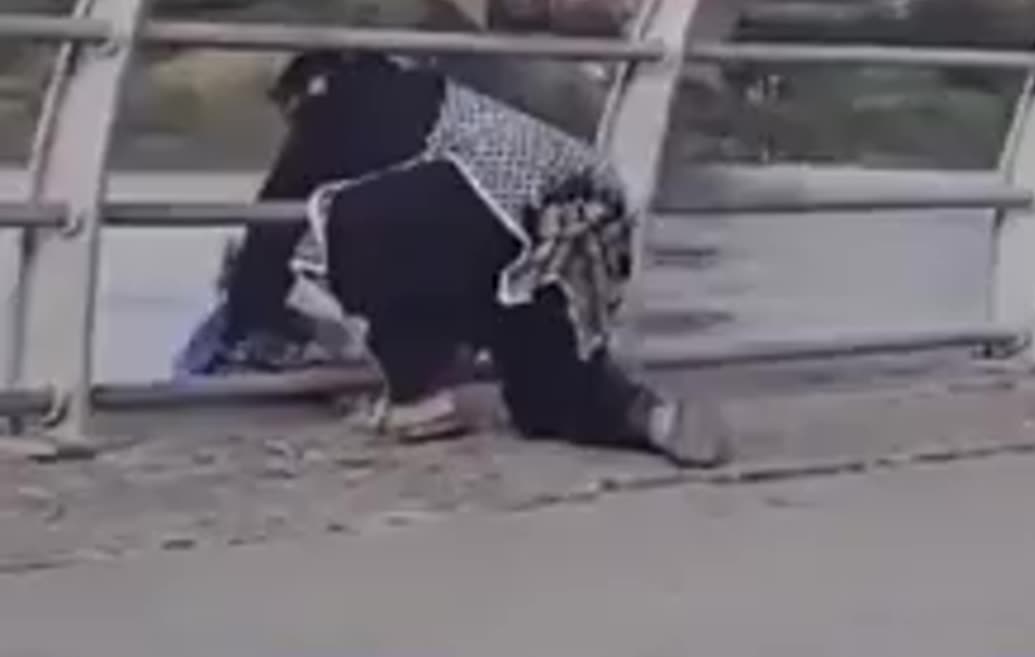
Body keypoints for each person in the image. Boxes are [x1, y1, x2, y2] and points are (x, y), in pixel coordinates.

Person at [207, 49, 731, 469]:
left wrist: (246, 319)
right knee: (546, 394)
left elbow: (273, 228)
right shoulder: (433, 101)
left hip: (494, 206)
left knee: (341, 222)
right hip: (584, 205)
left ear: (304, 93)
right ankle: (648, 417)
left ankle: (419, 394)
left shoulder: (334, 107)